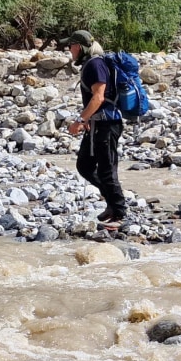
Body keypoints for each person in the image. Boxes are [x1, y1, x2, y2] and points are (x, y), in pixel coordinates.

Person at [67, 29, 126, 225]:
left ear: (80, 47)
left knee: (106, 169)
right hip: (98, 124)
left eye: (71, 46)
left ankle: (118, 211)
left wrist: (80, 121)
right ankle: (112, 203)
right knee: (85, 166)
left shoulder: (95, 65)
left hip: (106, 124)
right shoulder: (92, 64)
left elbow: (99, 97)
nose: (69, 50)